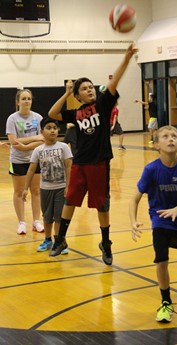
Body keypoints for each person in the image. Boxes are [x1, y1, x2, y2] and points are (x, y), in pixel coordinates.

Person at [48, 43, 138, 263]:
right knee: (70, 201)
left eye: (91, 87)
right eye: (84, 89)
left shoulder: (103, 104)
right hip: (80, 162)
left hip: (99, 162)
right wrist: (67, 92)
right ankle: (60, 239)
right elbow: (52, 113)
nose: (89, 90)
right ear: (78, 96)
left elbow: (114, 80)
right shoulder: (76, 112)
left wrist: (126, 58)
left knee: (101, 204)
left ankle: (106, 243)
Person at [129, 125, 177, 323]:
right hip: (160, 220)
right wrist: (133, 221)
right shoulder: (151, 169)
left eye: (174, 136)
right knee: (161, 260)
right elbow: (134, 198)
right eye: (166, 137)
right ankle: (166, 302)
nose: (171, 139)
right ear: (156, 145)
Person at [22, 117, 72, 254]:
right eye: (48, 128)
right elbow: (31, 169)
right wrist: (25, 188)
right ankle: (48, 239)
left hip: (61, 188)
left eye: (55, 128)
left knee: (59, 216)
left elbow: (69, 167)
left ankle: (59, 241)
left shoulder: (63, 147)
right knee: (47, 216)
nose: (52, 131)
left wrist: (68, 186)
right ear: (42, 131)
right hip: (45, 189)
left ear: (58, 130)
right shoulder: (38, 150)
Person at [6, 89, 45, 235]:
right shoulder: (12, 119)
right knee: (20, 192)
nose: (27, 101)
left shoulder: (38, 117)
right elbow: (13, 141)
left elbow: (43, 139)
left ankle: (36, 221)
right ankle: (21, 222)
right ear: (18, 102)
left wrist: (26, 145)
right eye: (23, 99)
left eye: (29, 98)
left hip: (35, 159)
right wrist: (34, 138)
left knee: (36, 191)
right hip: (18, 160)